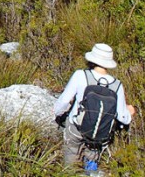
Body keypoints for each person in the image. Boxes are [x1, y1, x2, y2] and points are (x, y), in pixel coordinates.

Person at [54, 43, 136, 171]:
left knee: (70, 165)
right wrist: (129, 112)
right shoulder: (117, 85)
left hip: (76, 128)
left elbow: (63, 102)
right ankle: (90, 170)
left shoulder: (80, 75)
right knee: (91, 166)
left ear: (91, 59)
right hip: (99, 135)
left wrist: (58, 114)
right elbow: (123, 117)